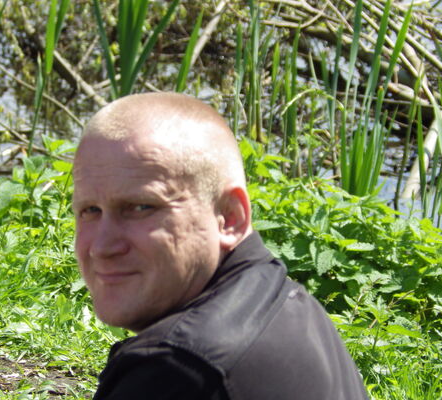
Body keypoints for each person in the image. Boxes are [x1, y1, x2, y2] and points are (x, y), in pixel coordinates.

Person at [72, 92, 368, 399]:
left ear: (229, 217)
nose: (101, 247)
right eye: (90, 210)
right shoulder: (283, 301)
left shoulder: (180, 369)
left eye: (141, 207)